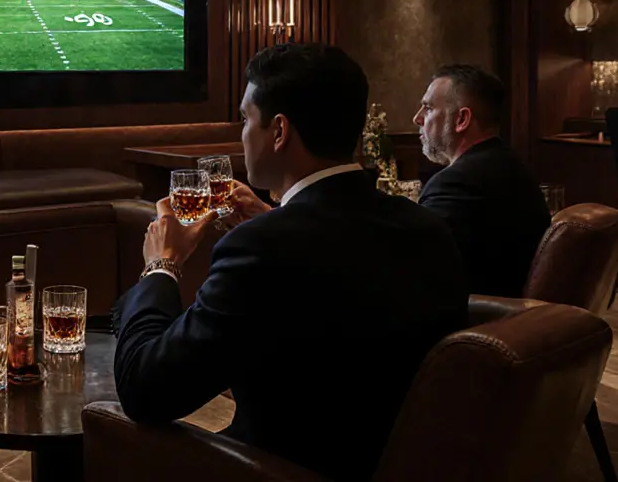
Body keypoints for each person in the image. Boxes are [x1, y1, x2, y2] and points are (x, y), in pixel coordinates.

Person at [114, 44, 467, 481]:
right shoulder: (427, 229)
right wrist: (277, 218)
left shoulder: (262, 250)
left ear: (279, 131)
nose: (241, 133)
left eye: (245, 119)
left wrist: (162, 265)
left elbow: (145, 389)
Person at [414, 64, 552, 297]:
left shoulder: (457, 182)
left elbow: (420, 271)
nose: (417, 118)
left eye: (427, 108)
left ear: (462, 119)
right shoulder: (510, 166)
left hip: (480, 321)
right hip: (520, 318)